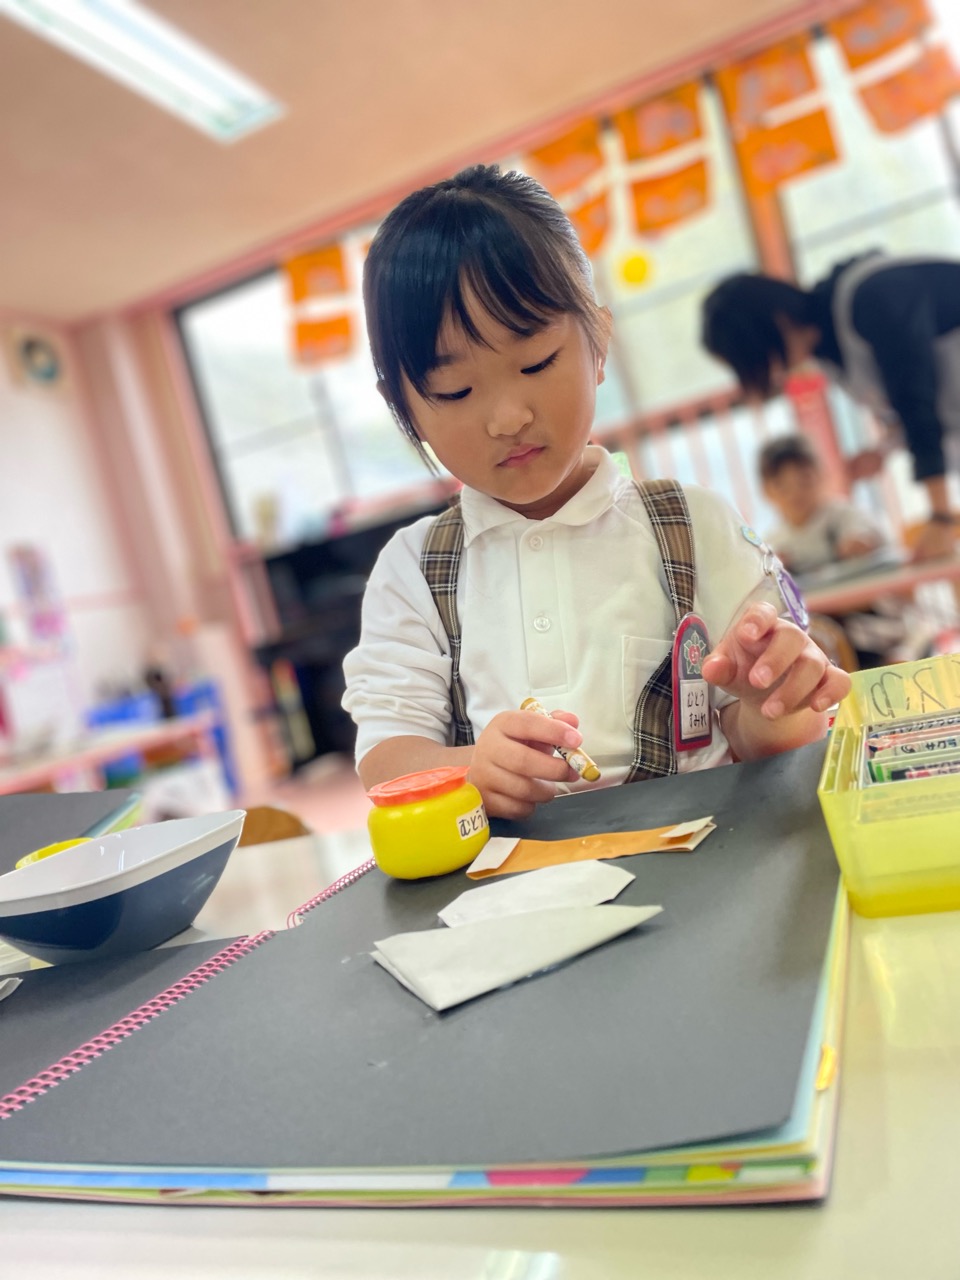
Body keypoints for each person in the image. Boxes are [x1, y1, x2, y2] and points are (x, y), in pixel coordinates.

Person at [342, 164, 850, 820]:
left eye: (536, 362)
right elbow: (387, 759)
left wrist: (775, 699)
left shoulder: (693, 526)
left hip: (705, 863)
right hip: (521, 879)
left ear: (599, 340)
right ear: (405, 408)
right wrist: (472, 770)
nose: (508, 418)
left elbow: (766, 745)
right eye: (455, 391)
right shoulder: (414, 570)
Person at [701, 253, 960, 562]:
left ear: (778, 324)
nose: (773, 372)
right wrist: (883, 449)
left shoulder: (873, 299)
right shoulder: (829, 349)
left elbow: (917, 401)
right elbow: (913, 408)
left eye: (757, 358)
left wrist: (941, 517)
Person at [758, 433, 909, 669]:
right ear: (767, 491)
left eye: (804, 480)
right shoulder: (772, 542)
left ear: (821, 475)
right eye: (782, 485)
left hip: (871, 626)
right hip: (819, 625)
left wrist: (860, 545)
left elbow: (868, 542)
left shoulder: (844, 515)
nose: (795, 493)